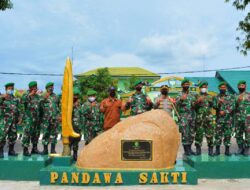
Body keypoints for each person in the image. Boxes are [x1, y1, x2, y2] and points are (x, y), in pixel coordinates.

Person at [213, 81, 235, 156]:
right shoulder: (216, 97)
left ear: (226, 88)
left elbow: (232, 106)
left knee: (227, 135)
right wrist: (218, 103)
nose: (223, 88)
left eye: (224, 87)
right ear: (219, 88)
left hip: (228, 120)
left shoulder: (230, 96)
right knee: (218, 135)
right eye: (221, 87)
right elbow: (214, 107)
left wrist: (225, 112)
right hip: (219, 120)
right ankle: (217, 151)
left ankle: (227, 151)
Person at [21, 81, 42, 156]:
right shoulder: (26, 95)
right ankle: (25, 150)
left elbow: (40, 107)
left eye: (36, 86)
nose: (35, 88)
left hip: (36, 119)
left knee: (36, 134)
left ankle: (34, 148)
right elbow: (22, 100)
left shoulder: (38, 97)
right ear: (30, 88)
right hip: (28, 119)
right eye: (34, 87)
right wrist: (31, 94)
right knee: (27, 134)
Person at [0, 82, 21, 158]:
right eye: (9, 88)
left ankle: (11, 150)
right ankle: (0, 151)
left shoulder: (15, 99)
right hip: (4, 121)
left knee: (13, 136)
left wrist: (19, 118)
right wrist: (2, 97)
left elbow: (18, 109)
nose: (11, 90)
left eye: (12, 88)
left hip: (13, 121)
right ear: (6, 89)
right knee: (2, 136)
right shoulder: (2, 97)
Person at [176, 79, 196, 156]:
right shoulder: (179, 94)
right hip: (184, 117)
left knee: (191, 133)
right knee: (185, 133)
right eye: (184, 84)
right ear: (182, 85)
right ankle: (186, 150)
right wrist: (180, 99)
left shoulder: (192, 95)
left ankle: (190, 148)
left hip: (192, 116)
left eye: (187, 84)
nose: (186, 85)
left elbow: (194, 105)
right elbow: (176, 104)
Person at [194, 81, 214, 156]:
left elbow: (214, 106)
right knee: (199, 134)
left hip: (208, 119)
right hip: (199, 119)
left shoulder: (210, 96)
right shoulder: (196, 96)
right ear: (200, 88)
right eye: (202, 87)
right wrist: (197, 102)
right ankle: (198, 150)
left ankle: (211, 150)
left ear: (207, 88)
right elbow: (193, 107)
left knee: (210, 134)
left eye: (205, 87)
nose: (204, 88)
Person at [40, 82, 60, 154]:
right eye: (50, 87)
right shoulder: (42, 96)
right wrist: (43, 98)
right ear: (46, 88)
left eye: (52, 87)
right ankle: (45, 150)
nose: (51, 88)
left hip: (54, 118)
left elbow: (58, 106)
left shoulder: (56, 96)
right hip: (46, 119)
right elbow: (39, 106)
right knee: (45, 133)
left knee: (54, 134)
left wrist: (59, 115)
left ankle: (53, 150)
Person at [235, 80, 250, 156]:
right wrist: (237, 101)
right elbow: (231, 107)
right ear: (238, 87)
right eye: (240, 85)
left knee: (248, 133)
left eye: (243, 85)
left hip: (247, 119)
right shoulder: (235, 96)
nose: (241, 87)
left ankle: (247, 148)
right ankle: (240, 148)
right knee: (238, 134)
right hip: (238, 118)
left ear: (245, 86)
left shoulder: (249, 95)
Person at [69, 88, 83, 161]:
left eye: (77, 95)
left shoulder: (79, 103)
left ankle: (75, 154)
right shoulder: (69, 103)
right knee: (70, 141)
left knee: (76, 141)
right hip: (70, 126)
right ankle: (68, 154)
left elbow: (81, 113)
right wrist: (74, 105)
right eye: (74, 95)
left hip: (78, 126)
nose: (76, 97)